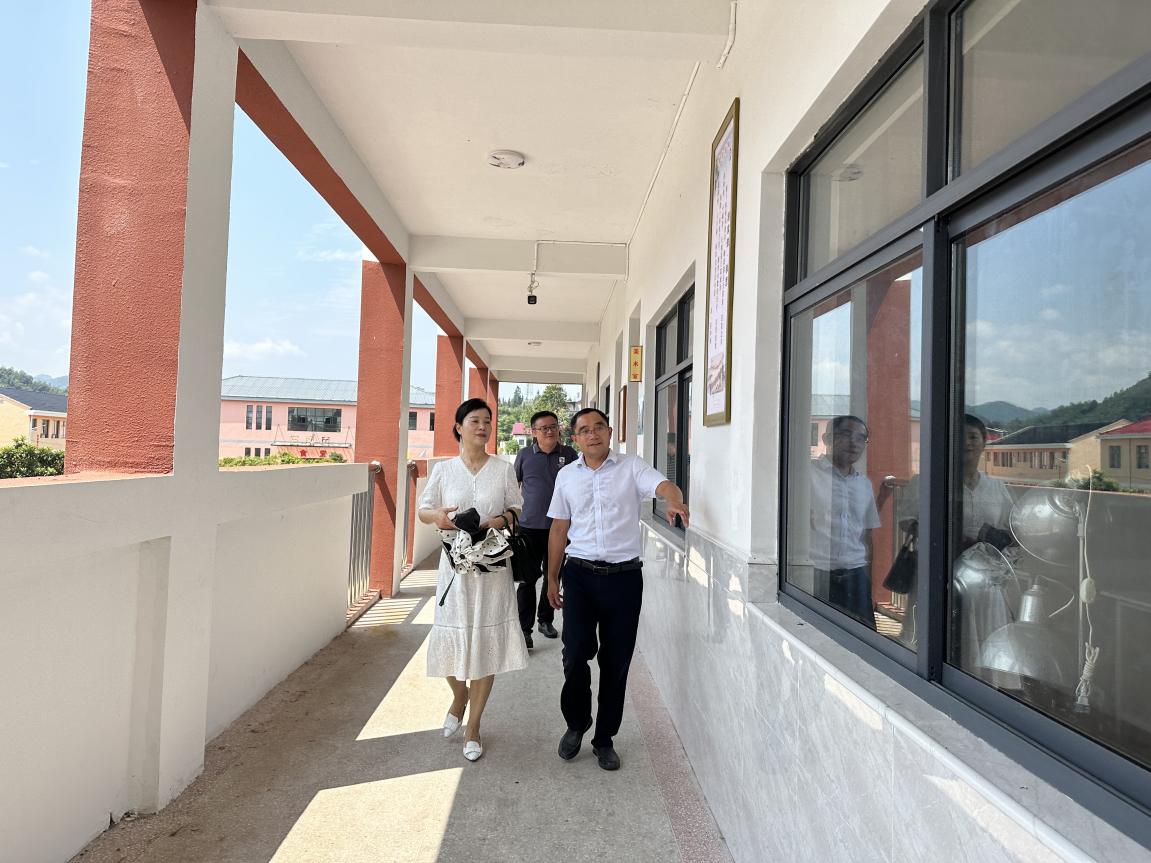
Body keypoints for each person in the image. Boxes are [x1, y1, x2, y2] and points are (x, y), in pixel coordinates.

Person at [546, 408, 689, 771]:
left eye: (599, 427)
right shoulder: (566, 476)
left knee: (616, 662)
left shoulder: (631, 467)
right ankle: (577, 723)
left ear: (610, 432)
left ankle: (604, 739)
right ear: (575, 438)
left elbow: (663, 485)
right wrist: (552, 577)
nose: (592, 434)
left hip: (624, 579)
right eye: (584, 430)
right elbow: (559, 529)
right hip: (579, 575)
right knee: (575, 654)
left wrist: (673, 499)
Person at [418, 398, 527, 762]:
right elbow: (423, 510)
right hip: (454, 567)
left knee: (484, 643)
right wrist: (438, 517)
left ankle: (474, 726)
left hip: (492, 567)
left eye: (487, 421)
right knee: (450, 637)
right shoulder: (444, 470)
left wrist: (498, 520)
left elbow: (517, 508)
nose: (482, 426)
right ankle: (459, 696)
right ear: (459, 428)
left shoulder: (503, 469)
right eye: (475, 421)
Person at [512, 410, 578, 649]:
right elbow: (513, 487)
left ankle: (545, 620)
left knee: (553, 576)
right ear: (534, 432)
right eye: (543, 428)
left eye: (553, 426)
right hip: (529, 528)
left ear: (559, 429)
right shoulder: (524, 455)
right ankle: (524, 629)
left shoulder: (569, 454)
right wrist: (512, 519)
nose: (549, 431)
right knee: (527, 580)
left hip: (560, 527)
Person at [809, 414, 880, 629]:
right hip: (817, 573)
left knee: (863, 637)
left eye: (861, 438)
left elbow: (867, 534)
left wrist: (869, 582)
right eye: (846, 434)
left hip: (856, 575)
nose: (853, 443)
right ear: (827, 438)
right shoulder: (807, 474)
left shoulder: (864, 484)